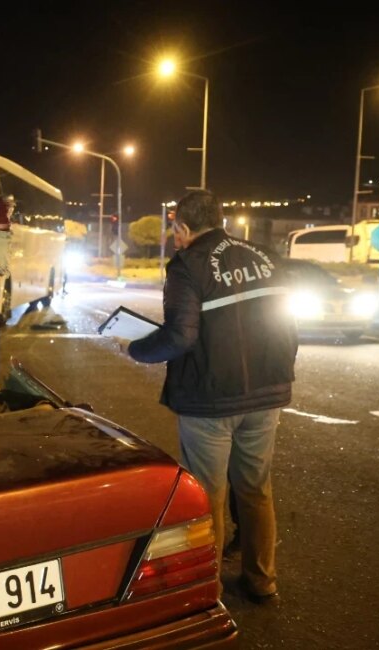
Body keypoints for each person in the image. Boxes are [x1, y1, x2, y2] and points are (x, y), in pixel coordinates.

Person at [124, 190, 298, 605]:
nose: (174, 238)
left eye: (175, 230)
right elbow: (289, 325)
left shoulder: (187, 265)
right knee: (255, 489)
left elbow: (181, 336)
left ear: (183, 227)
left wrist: (134, 348)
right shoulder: (264, 256)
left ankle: (208, 589)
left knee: (208, 496)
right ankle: (262, 580)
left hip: (210, 401)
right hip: (266, 393)